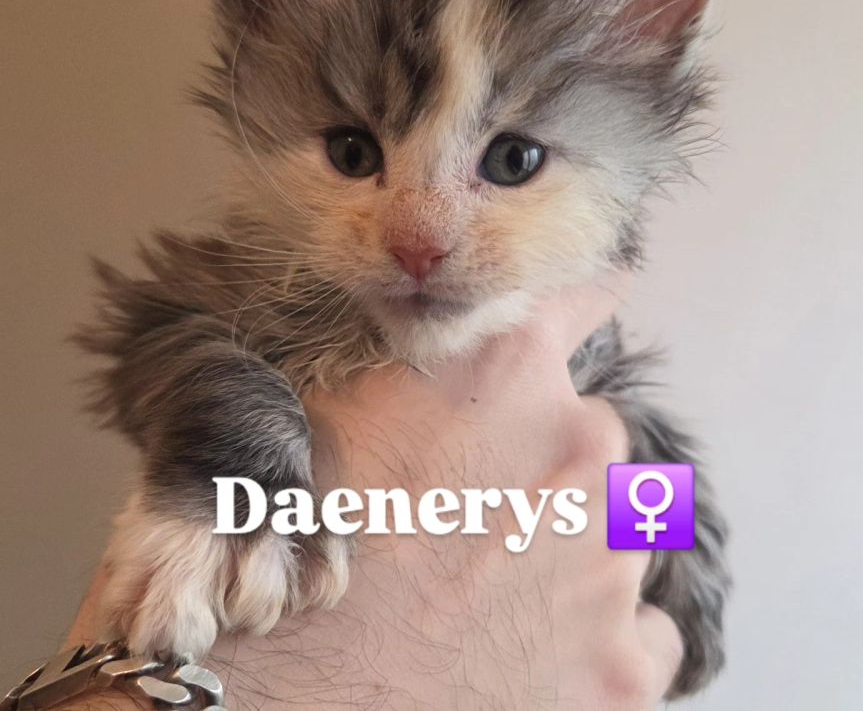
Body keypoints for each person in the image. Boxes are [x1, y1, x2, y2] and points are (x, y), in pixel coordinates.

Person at [63, 271, 682, 709]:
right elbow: (158, 334)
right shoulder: (264, 291)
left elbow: (657, 501)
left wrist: (679, 582)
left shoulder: (625, 420)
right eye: (355, 151)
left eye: (514, 161)